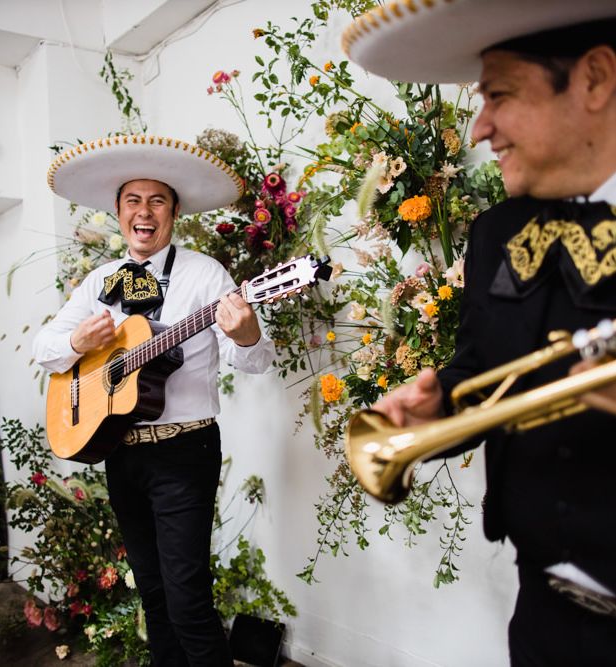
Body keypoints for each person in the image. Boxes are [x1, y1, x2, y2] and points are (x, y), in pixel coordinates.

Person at [342, 1, 616, 664]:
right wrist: (439, 402)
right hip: (544, 612)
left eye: (498, 95)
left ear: (594, 78)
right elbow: (481, 364)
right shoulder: (497, 232)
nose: (478, 128)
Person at [33, 136, 275, 666]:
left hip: (183, 453)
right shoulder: (100, 282)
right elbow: (44, 349)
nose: (144, 212)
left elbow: (253, 364)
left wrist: (249, 333)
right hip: (121, 453)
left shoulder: (205, 274)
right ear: (119, 213)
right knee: (155, 598)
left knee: (189, 602)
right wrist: (78, 344)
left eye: (157, 200)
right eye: (133, 202)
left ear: (175, 211)